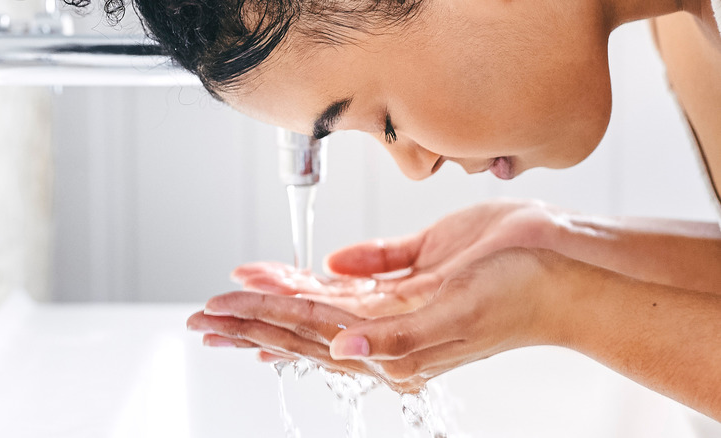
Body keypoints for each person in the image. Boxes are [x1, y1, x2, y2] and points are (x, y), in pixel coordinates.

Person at [67, 0, 721, 421]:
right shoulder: (683, 28)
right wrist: (565, 249)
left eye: (384, 122)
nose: (415, 165)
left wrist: (565, 306)